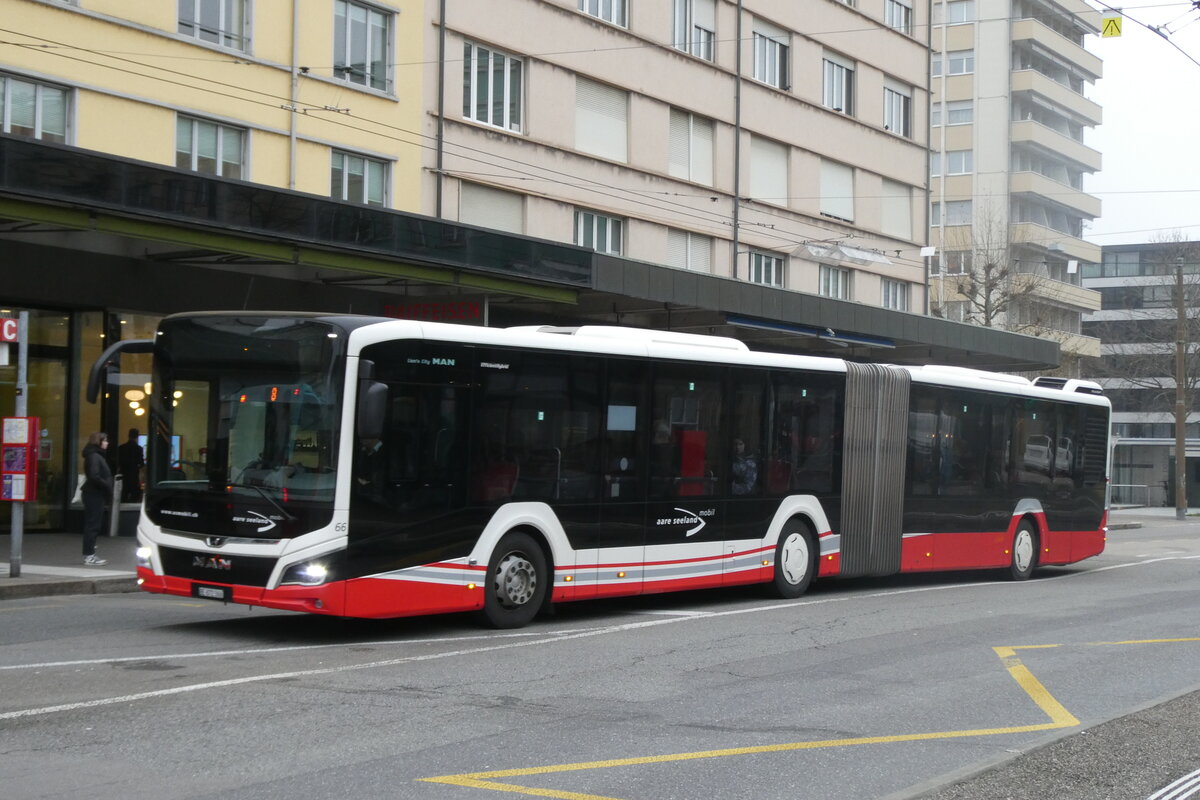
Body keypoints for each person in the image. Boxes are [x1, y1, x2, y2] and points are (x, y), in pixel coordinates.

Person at [80, 432, 113, 566]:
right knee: (93, 524)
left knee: (93, 524)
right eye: (105, 440)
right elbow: (94, 475)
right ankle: (89, 555)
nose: (107, 443)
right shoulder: (94, 456)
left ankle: (89, 553)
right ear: (98, 442)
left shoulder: (94, 455)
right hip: (94, 493)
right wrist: (106, 485)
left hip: (94, 493)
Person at [117, 427, 145, 503]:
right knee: (135, 498)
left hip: (124, 475)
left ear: (128, 435)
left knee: (123, 497)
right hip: (134, 476)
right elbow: (141, 463)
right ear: (137, 437)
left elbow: (118, 463)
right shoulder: (139, 449)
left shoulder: (121, 448)